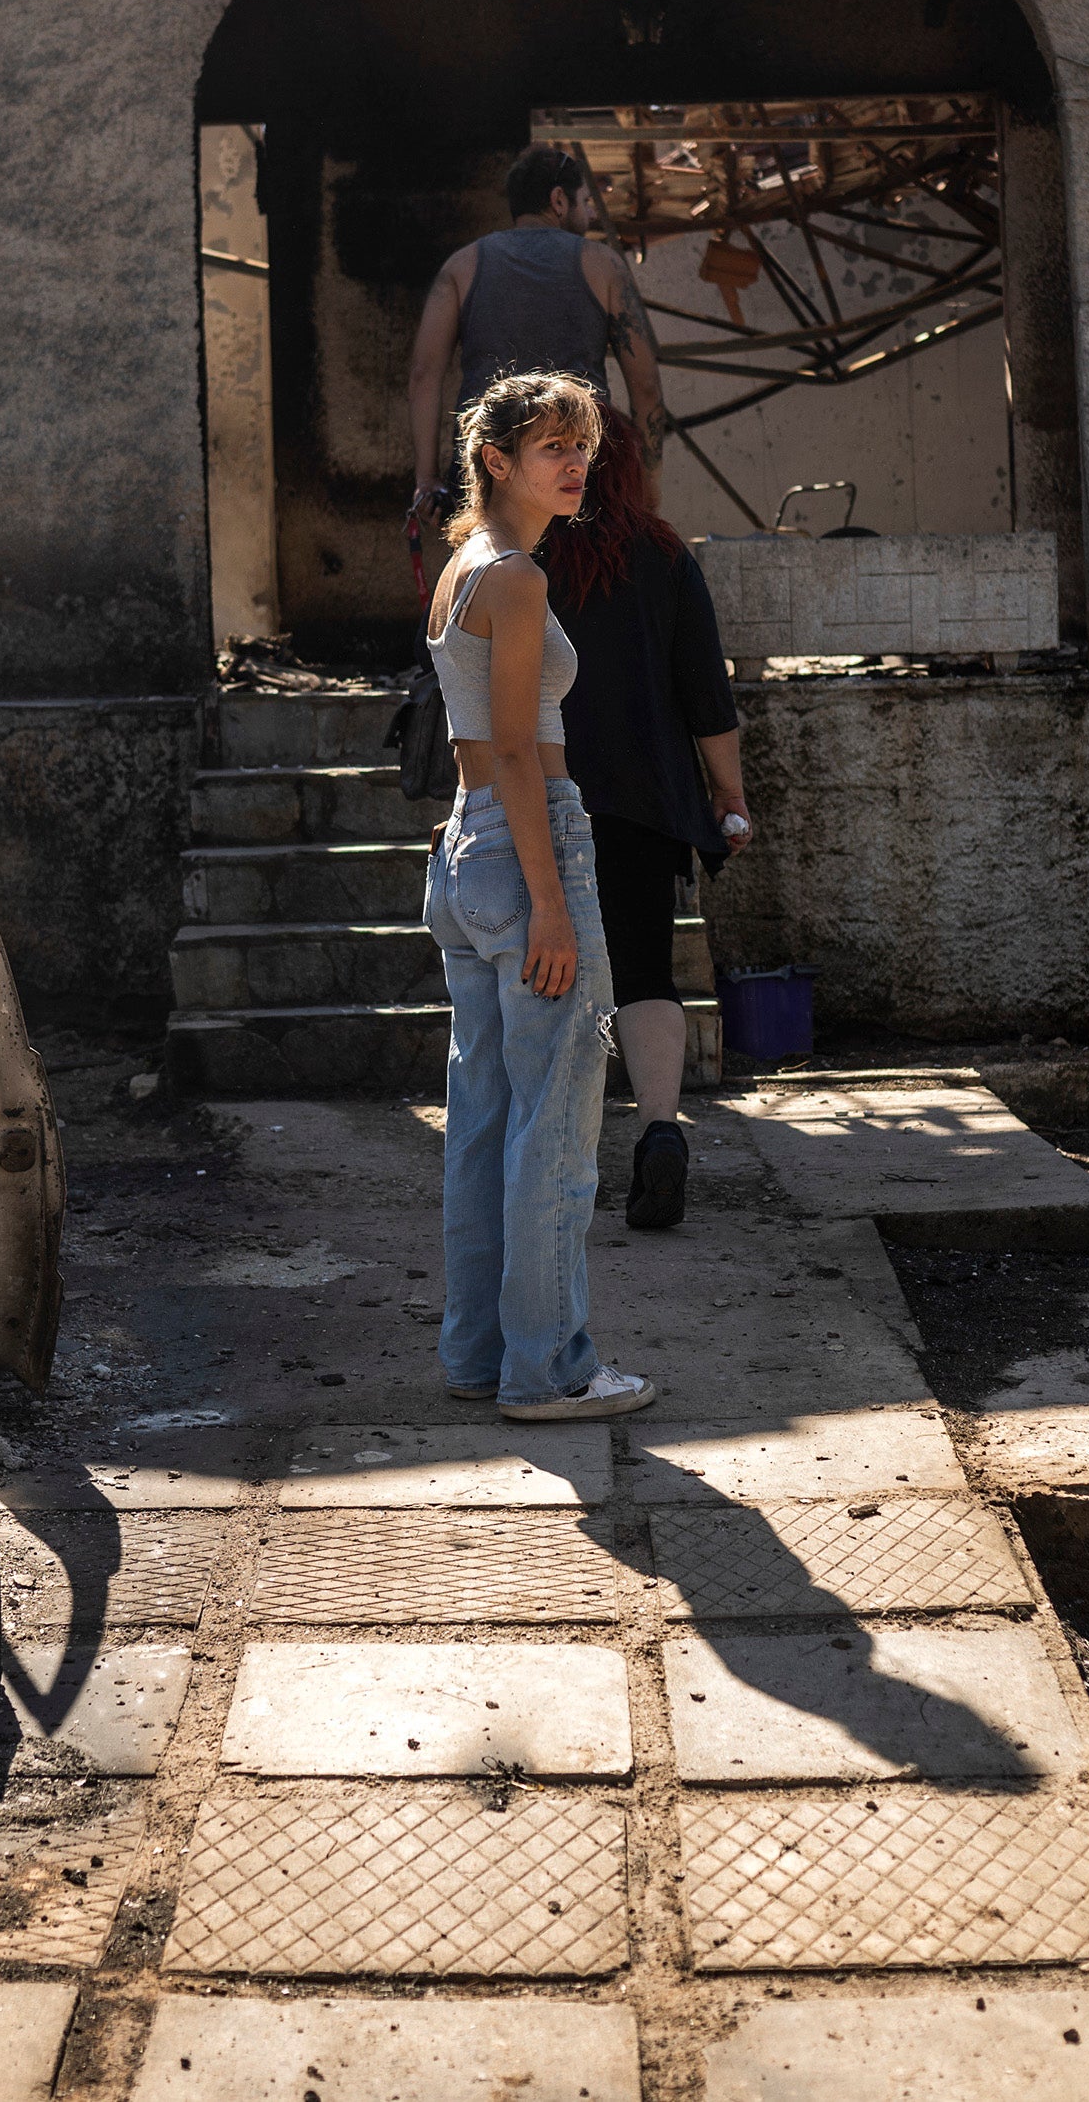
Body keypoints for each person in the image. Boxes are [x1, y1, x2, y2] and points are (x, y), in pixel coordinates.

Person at [422, 370, 658, 1425]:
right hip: (525, 846)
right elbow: (517, 745)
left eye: (583, 446)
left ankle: (478, 1357)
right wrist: (553, 901)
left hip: (468, 848)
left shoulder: (460, 568)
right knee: (554, 1132)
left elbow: (476, 740)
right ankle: (549, 1372)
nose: (575, 463)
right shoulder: (513, 577)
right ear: (496, 460)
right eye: (552, 445)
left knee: (483, 1121)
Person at [540, 408, 749, 1233]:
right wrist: (727, 794)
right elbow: (709, 698)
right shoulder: (665, 556)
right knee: (646, 969)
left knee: (551, 975)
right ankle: (661, 1129)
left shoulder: (524, 556)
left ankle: (558, 1161)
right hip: (644, 801)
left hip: (546, 794)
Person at [401, 146, 673, 566]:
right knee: (585, 596)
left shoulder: (462, 266)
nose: (588, 214)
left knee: (495, 586)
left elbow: (423, 375)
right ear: (558, 201)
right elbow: (646, 385)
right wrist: (647, 487)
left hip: (495, 465)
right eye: (584, 202)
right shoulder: (603, 265)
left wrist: (427, 480)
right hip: (581, 471)